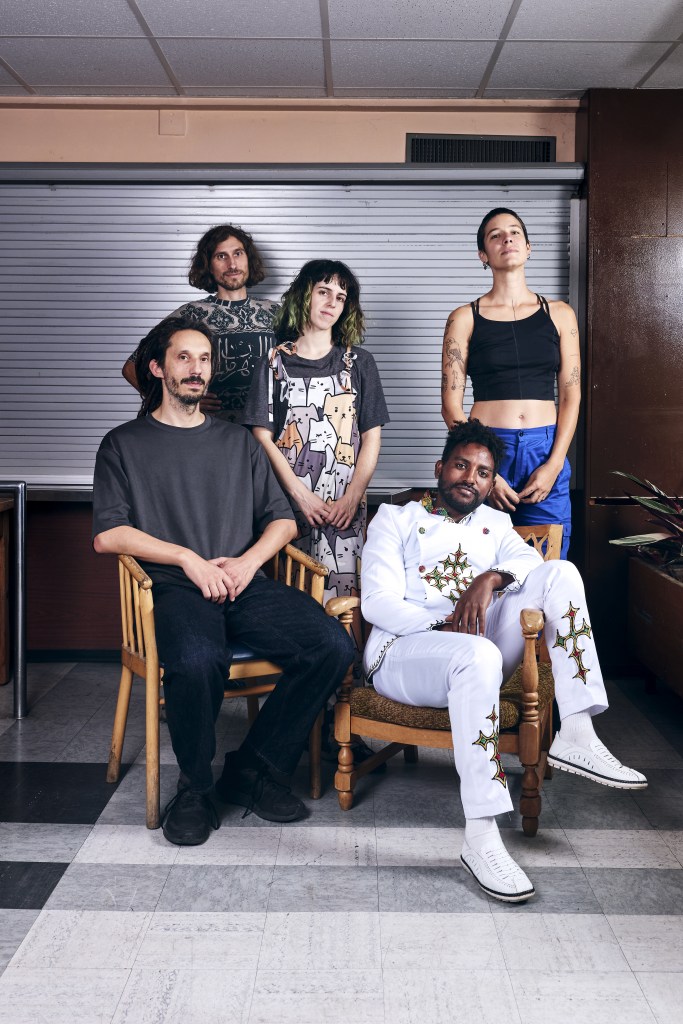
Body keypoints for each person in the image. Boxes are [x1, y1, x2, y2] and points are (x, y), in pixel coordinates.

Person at [361, 419, 646, 903]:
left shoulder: (495, 523)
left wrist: (489, 578)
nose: (470, 478)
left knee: (561, 573)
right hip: (404, 652)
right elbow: (376, 603)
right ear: (440, 468)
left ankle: (576, 730)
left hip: (477, 648)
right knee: (477, 653)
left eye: (482, 473)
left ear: (492, 482)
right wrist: (442, 627)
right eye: (461, 465)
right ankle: (481, 835)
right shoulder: (396, 518)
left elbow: (531, 565)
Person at [95, 315, 354, 847]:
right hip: (174, 587)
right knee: (196, 660)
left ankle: (254, 768)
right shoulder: (123, 444)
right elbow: (109, 534)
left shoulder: (239, 443)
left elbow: (283, 522)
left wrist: (246, 564)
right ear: (157, 368)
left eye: (204, 359)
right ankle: (195, 789)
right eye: (183, 358)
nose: (196, 369)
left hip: (242, 584)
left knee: (332, 645)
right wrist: (187, 560)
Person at [243, 259, 389, 616]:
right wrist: (300, 496)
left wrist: (352, 497)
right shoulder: (274, 364)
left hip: (344, 507)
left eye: (340, 297)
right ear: (303, 296)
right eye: (324, 292)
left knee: (345, 597)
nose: (331, 303)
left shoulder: (359, 363)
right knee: (291, 595)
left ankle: (347, 655)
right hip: (288, 504)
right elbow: (262, 436)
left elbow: (371, 437)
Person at [441, 207, 580, 558]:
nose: (507, 239)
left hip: (544, 448)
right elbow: (451, 406)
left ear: (528, 248)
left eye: (515, 232)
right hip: (485, 449)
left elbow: (571, 395)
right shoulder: (463, 318)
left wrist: (554, 464)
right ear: (483, 255)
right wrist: (484, 472)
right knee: (477, 560)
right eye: (495, 235)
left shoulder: (560, 314)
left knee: (547, 562)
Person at [122, 224, 278, 422]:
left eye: (238, 253)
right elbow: (132, 368)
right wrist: (177, 400)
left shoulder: (276, 314)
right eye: (221, 256)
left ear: (248, 258)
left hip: (267, 432)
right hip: (212, 431)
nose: (232, 264)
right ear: (208, 265)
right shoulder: (190, 315)